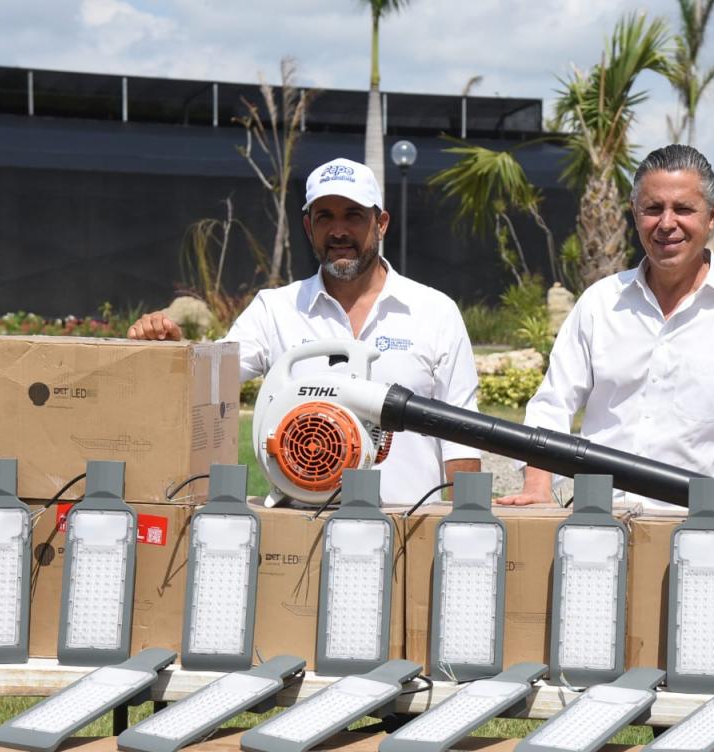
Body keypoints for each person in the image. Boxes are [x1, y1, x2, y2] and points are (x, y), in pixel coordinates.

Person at [129, 157, 480, 505]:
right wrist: (169, 351)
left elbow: (462, 436)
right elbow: (208, 381)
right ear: (309, 227)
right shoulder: (274, 310)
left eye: (353, 215)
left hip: (406, 525)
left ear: (381, 224)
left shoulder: (434, 311)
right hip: (301, 527)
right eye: (324, 217)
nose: (338, 231)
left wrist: (466, 518)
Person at [498, 144, 714, 514]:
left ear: (713, 215)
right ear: (635, 212)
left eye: (683, 209)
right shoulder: (600, 304)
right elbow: (552, 404)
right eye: (653, 208)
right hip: (599, 520)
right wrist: (537, 483)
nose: (666, 223)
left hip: (702, 525)